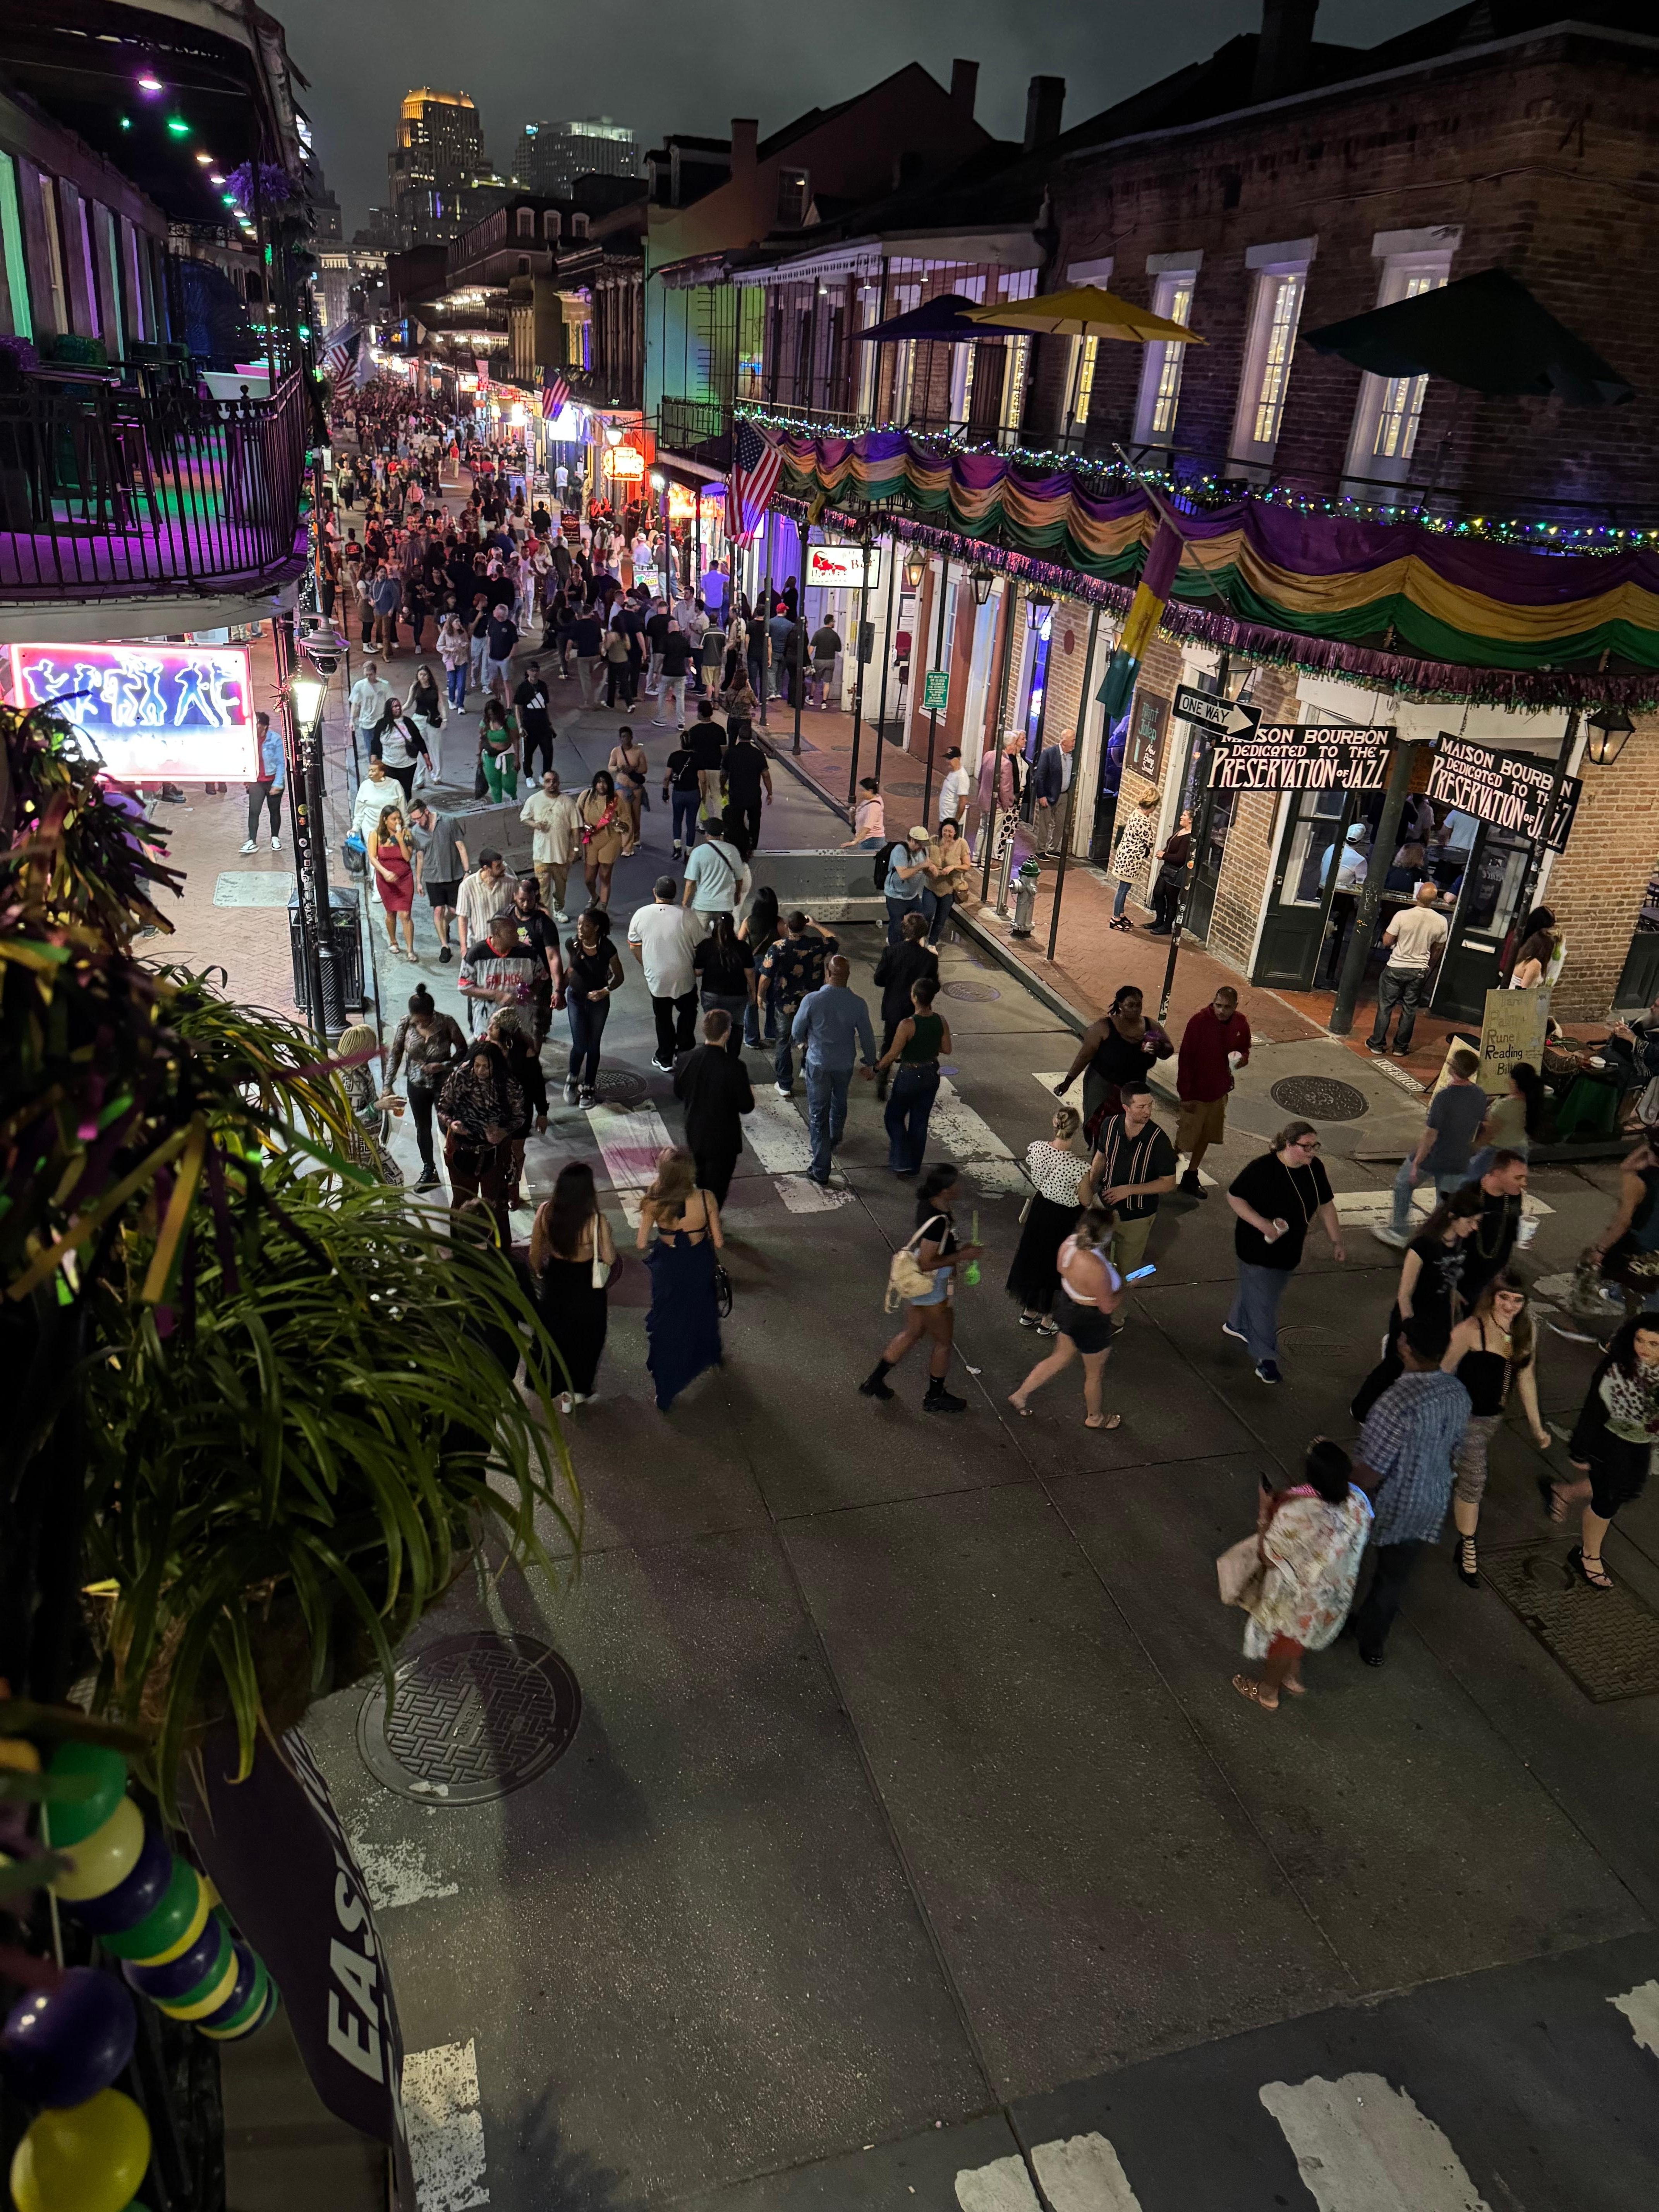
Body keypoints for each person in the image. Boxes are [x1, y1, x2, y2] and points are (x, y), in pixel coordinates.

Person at [1348, 1316, 1470, 1664]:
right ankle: (1372, 1643)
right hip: (1431, 1500)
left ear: (1404, 1346)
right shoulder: (1457, 1393)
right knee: (1394, 1579)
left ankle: (1332, 1623)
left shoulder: (1395, 1403)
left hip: (1391, 1504)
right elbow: (1457, 1448)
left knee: (1346, 1566)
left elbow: (1371, 1471)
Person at [1231, 1440, 1374, 1711]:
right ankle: (1291, 1676)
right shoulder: (1358, 1501)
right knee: (1300, 1638)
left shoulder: (1299, 1513)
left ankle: (1268, 1692)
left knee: (1284, 1641)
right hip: (1332, 1591)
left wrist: (1264, 1512)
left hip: (1296, 1597)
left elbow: (1268, 1556)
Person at [1443, 1271, 1549, 1586]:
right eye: (1505, 1298)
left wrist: (1537, 1426)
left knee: (1455, 1468)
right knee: (1475, 1478)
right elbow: (1443, 1373)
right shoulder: (1471, 1330)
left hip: (1490, 1420)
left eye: (1518, 1300)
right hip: (1463, 1417)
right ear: (1493, 1296)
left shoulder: (1527, 1330)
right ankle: (1468, 1544)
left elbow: (1525, 1378)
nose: (1510, 1306)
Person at [1224, 1120, 1345, 1384]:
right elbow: (1234, 1196)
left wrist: (1337, 1241)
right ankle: (1266, 1359)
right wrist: (1263, 1224)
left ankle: (1235, 1323)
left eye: (1315, 1146)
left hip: (1290, 1248)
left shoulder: (1314, 1169)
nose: (1312, 1152)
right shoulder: (1262, 1169)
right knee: (1264, 1305)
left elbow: (1326, 1204)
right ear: (1289, 1145)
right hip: (1257, 1247)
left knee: (1262, 1291)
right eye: (1306, 1147)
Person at [1350, 1188, 1484, 1421]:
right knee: (1394, 1365)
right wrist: (1408, 1329)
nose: (1474, 1227)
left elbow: (1449, 1275)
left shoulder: (1462, 1242)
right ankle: (1361, 1409)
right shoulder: (1423, 1247)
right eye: (1471, 1221)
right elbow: (1405, 1294)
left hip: (1439, 1316)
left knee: (1428, 1366)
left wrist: (1453, 1297)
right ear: (1453, 1217)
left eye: (1477, 1222)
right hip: (1414, 1317)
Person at [1546, 1316, 1659, 1589]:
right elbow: (1593, 1410)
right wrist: (1580, 1451)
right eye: (1640, 1340)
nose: (1644, 1349)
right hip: (1611, 1440)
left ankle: (1565, 1492)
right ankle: (1588, 1556)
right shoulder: (1616, 1368)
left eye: (1654, 1344)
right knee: (1608, 1501)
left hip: (1642, 1441)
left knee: (1626, 1489)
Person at [859, 1165, 984, 1413]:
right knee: (943, 1344)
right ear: (946, 1190)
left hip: (923, 1287)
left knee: (912, 1333)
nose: (960, 1187)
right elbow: (927, 1262)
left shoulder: (931, 1205)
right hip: (932, 1290)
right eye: (956, 1184)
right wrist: (961, 1256)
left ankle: (875, 1381)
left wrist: (957, 1252)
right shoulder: (937, 1221)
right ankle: (935, 1396)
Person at [1006, 1203, 1124, 1426]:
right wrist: (1128, 1287)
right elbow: (1107, 1306)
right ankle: (1095, 1418)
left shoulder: (1069, 1244)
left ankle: (1020, 1395)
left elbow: (1061, 1269)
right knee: (1094, 1374)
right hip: (1090, 1319)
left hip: (1066, 1307)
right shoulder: (1096, 1267)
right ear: (1104, 1235)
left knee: (1059, 1357)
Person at [1374, 1045, 1489, 1249]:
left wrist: (1417, 1163)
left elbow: (1430, 1135)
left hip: (1434, 1157)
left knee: (1403, 1184)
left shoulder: (1444, 1097)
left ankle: (1399, 1231)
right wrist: (1474, 1147)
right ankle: (1441, 1239)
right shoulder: (1479, 1095)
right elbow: (1485, 1125)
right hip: (1458, 1160)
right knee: (1444, 1204)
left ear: (1452, 1069)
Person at [636, 1146, 724, 1411]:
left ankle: (666, 1386)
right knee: (700, 1311)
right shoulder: (706, 1197)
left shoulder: (654, 1200)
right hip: (697, 1263)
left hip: (669, 1267)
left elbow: (641, 1243)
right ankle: (707, 1354)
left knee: (668, 1320)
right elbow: (719, 1241)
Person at [529, 1161, 615, 1411]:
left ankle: (560, 1389)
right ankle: (577, 1391)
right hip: (585, 1285)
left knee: (558, 1336)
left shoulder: (546, 1211)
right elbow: (609, 1258)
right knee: (587, 1338)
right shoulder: (594, 1221)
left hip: (557, 1279)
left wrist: (540, 1275)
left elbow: (535, 1252)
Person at [792, 953, 877, 1185]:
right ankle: (835, 1138)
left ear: (828, 974)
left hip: (818, 1063)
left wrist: (802, 1042)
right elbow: (868, 1036)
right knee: (840, 1101)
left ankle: (821, 1168)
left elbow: (797, 1030)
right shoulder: (858, 1003)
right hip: (844, 1063)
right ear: (848, 976)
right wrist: (870, 1062)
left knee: (819, 1113)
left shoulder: (812, 1000)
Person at [1079, 1081, 1178, 1280]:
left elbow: (1168, 1182)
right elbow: (1101, 1158)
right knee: (1090, 1259)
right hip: (1104, 1206)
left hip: (1137, 1216)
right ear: (1126, 1107)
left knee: (1127, 1271)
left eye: (1150, 1105)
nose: (1148, 1111)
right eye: (1141, 1107)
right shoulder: (1109, 1125)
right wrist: (1089, 1191)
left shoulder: (1159, 1141)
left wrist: (1129, 1190)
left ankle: (1116, 1309)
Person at [1056, 984, 1174, 1144]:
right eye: (1130, 1005)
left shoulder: (1150, 1026)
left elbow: (1168, 1050)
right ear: (1119, 1005)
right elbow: (1085, 1056)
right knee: (1103, 1131)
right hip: (1104, 1087)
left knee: (1129, 1132)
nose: (1136, 1010)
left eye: (1139, 1005)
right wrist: (1068, 1082)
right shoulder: (1104, 1027)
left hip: (1134, 1089)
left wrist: (1160, 1047)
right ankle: (1100, 1161)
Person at [1007, 1105, 1089, 1332]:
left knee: (1036, 1259)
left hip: (1041, 1210)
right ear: (1076, 1129)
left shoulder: (1037, 1149)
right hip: (1064, 1218)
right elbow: (1086, 1199)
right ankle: (1048, 1319)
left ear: (1055, 1124)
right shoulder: (1078, 1167)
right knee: (1058, 1265)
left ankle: (1029, 1311)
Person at [437, 1038, 522, 1243]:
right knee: (462, 1202)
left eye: (486, 1067)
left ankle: (500, 1250)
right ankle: (460, 1248)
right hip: (462, 1149)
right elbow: (442, 1108)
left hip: (493, 1151)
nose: (481, 1071)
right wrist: (452, 1124)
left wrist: (503, 1132)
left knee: (494, 1203)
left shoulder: (508, 1083)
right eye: (477, 1066)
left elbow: (519, 1116)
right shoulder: (460, 1077)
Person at [387, 984, 467, 1192]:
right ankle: (429, 1169)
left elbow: (462, 1050)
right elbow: (396, 1053)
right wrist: (388, 1084)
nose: (418, 1022)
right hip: (417, 1084)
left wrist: (444, 1065)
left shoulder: (447, 1023)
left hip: (444, 1084)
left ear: (431, 1014)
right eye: (416, 1018)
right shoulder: (406, 1024)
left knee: (447, 1125)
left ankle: (458, 1164)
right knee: (422, 1128)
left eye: (421, 1019)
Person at [1175, 986, 1252, 1194]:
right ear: (1213, 1002)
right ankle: (1165, 1167)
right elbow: (1186, 1060)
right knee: (1185, 1137)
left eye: (1227, 1007)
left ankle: (1191, 1175)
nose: (1221, 1011)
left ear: (1235, 1007)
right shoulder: (1198, 1022)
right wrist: (1186, 1095)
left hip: (1219, 1092)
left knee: (1206, 1136)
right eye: (1218, 1005)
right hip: (1196, 1093)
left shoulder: (1241, 1023)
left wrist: (1242, 1060)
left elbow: (1245, 1048)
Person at [674, 1009, 755, 1204]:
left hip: (695, 1132)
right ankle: (710, 1222)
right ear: (726, 1033)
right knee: (717, 1188)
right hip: (724, 1139)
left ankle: (698, 1219)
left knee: (699, 1181)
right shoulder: (735, 1067)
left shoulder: (686, 1059)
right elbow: (746, 1106)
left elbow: (679, 1092)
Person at [875, 975, 949, 1177]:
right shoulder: (940, 1020)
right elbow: (947, 1048)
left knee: (894, 1117)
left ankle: (901, 1159)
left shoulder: (908, 1024)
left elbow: (892, 1054)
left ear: (915, 998)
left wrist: (876, 1069)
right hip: (931, 1073)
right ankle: (914, 1166)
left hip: (910, 1075)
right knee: (920, 1121)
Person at [629, 875, 704, 1072]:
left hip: (658, 979)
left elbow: (633, 945)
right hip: (684, 977)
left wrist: (646, 964)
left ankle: (665, 1057)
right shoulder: (687, 915)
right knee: (687, 1013)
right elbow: (701, 945)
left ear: (655, 892)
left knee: (663, 1018)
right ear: (675, 895)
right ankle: (685, 1052)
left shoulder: (641, 914)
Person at [760, 910, 838, 1098]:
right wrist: (817, 925)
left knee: (784, 1041)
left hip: (786, 1002)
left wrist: (760, 996)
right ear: (805, 926)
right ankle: (806, 1067)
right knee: (810, 1036)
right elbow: (835, 941)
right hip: (811, 1001)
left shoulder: (778, 947)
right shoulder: (817, 945)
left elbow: (766, 977)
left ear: (787, 927)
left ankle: (785, 1084)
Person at [1367, 883, 1449, 1054]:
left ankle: (1377, 1043)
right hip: (1418, 970)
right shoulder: (1441, 921)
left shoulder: (1402, 915)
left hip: (1396, 966)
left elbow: (1387, 941)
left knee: (1386, 1007)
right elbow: (1439, 949)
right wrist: (1428, 965)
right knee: (1410, 1009)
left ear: (1417, 895)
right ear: (1435, 900)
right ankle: (1400, 1047)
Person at [871, 913, 939, 1099]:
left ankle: (882, 1080)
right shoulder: (929, 958)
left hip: (894, 1006)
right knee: (913, 1046)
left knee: (889, 1042)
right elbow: (934, 985)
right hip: (916, 1010)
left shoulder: (891, 952)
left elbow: (879, 980)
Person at [562, 905, 624, 1107]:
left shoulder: (607, 948)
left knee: (593, 1044)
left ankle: (589, 1086)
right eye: (579, 924)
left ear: (596, 928)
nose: (580, 929)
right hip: (576, 998)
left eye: (586, 925)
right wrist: (558, 992)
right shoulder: (572, 944)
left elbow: (619, 977)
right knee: (580, 1044)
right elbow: (572, 970)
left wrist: (604, 991)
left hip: (599, 1000)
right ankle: (572, 1079)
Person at [488, 1008, 547, 1209]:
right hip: (493, 1113)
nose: (489, 1028)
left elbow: (537, 1083)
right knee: (495, 1153)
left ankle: (513, 1189)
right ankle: (497, 1190)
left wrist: (542, 1113)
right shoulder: (484, 1048)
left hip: (519, 1112)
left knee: (515, 1153)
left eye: (494, 1026)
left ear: (504, 1031)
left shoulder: (525, 1049)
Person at [1455, 1150, 1529, 1306]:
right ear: (1497, 1173)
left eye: (1524, 1177)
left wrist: (1523, 1236)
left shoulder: (1514, 1196)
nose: (1524, 1183)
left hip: (1496, 1272)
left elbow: (1510, 1230)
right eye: (1518, 1178)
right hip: (1466, 1273)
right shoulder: (1469, 1194)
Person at [458, 912, 539, 1036]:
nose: (516, 935)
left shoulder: (528, 953)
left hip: (520, 1022)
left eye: (516, 931)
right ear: (497, 934)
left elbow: (542, 978)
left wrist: (529, 992)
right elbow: (464, 986)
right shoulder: (477, 954)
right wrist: (496, 995)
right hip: (487, 1024)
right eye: (510, 932)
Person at [519, 769, 584, 923]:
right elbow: (524, 818)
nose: (551, 785)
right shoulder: (534, 800)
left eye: (554, 781)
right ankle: (544, 913)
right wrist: (536, 825)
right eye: (548, 781)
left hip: (561, 855)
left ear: (559, 783)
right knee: (542, 888)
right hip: (541, 855)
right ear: (543, 783)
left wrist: (575, 849)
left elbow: (576, 828)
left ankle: (559, 909)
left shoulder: (568, 803)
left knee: (560, 887)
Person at [508, 874, 565, 1047]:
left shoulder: (544, 924)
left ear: (536, 898)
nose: (526, 905)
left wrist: (559, 989)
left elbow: (553, 957)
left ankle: (536, 1046)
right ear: (514, 898)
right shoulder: (506, 918)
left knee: (539, 1023)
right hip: (514, 978)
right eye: (522, 900)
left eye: (530, 900)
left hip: (540, 981)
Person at [692, 912, 755, 1059]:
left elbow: (698, 972)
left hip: (712, 995)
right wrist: (753, 991)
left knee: (715, 1027)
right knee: (737, 1026)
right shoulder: (742, 947)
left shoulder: (706, 946)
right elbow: (750, 973)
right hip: (738, 995)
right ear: (733, 927)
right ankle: (732, 1060)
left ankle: (715, 1060)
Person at [1470, 1062, 1544, 1178]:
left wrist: (1474, 1147)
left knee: (1469, 1180)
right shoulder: (1531, 1104)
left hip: (1498, 1153)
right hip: (1520, 1151)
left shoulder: (1505, 1107)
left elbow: (1490, 1132)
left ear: (1515, 1082)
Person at [368, 802, 418, 961]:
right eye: (394, 819)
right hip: (385, 879)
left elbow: (408, 857)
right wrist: (385, 872)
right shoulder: (375, 835)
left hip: (404, 879)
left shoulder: (407, 834)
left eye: (399, 819)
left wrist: (400, 840)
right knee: (391, 913)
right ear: (385, 820)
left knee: (406, 914)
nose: (398, 822)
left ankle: (410, 949)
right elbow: (372, 858)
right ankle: (393, 941)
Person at [682, 813, 751, 924]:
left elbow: (690, 882)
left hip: (703, 905)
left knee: (701, 937)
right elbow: (739, 877)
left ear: (707, 834)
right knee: (723, 937)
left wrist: (685, 903)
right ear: (722, 834)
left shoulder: (698, 852)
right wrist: (737, 894)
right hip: (725, 905)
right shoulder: (732, 850)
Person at [738, 885, 782, 1050]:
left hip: (754, 965)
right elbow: (785, 943)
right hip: (774, 967)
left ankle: (752, 1038)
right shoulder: (779, 923)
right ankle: (771, 1033)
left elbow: (740, 942)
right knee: (772, 1000)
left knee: (752, 1001)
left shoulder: (749, 921)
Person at [1107, 795, 1158, 930]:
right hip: (1131, 859)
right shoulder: (1144, 822)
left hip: (1124, 853)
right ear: (1152, 807)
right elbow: (1150, 842)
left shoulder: (1135, 813)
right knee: (1123, 889)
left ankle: (1121, 914)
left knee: (1124, 888)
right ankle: (1115, 918)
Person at [721, 721, 773, 852]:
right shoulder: (758, 754)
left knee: (737, 821)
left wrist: (722, 787)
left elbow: (724, 774)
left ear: (739, 736)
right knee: (755, 822)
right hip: (754, 795)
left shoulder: (731, 753)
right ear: (751, 738)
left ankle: (740, 845)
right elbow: (766, 775)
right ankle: (753, 845)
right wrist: (770, 792)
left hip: (736, 794)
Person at [579, 769, 627, 909]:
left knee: (605, 877)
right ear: (595, 784)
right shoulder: (586, 796)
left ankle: (603, 908)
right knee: (589, 879)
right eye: (599, 782)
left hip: (610, 840)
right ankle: (594, 896)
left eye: (605, 783)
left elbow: (626, 820)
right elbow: (577, 816)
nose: (602, 786)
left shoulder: (616, 800)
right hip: (592, 841)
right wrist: (583, 825)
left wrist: (622, 826)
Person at [922, 818, 974, 946]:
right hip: (931, 885)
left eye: (950, 832)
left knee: (941, 918)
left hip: (949, 889)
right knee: (927, 914)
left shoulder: (962, 844)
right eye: (945, 831)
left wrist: (954, 867)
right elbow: (923, 855)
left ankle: (932, 943)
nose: (947, 834)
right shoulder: (933, 840)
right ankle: (921, 938)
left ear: (955, 832)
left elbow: (967, 865)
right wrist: (931, 866)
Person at [455, 846, 510, 965]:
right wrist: (464, 948)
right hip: (478, 946)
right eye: (498, 866)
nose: (503, 868)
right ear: (486, 868)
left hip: (504, 947)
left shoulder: (510, 883)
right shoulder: (467, 887)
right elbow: (462, 918)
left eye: (503, 864)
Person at [372, 696, 432, 800]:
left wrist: (427, 759)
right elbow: (375, 743)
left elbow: (419, 741)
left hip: (408, 765)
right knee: (392, 792)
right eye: (395, 706)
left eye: (399, 706)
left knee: (406, 791)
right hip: (389, 765)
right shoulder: (382, 725)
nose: (399, 708)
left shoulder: (408, 723)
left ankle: (407, 813)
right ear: (389, 709)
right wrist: (374, 761)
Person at [1146, 809, 1193, 934]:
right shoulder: (1181, 830)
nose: (1181, 817)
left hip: (1175, 872)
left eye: (1185, 815)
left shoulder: (1189, 837)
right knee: (1158, 893)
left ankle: (1167, 926)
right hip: (1167, 869)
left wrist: (1164, 855)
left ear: (1191, 820)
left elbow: (1181, 858)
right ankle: (1159, 920)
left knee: (1172, 900)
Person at [1030, 727, 1074, 859]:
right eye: (1072, 741)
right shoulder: (1049, 754)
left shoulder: (1073, 756)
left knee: (1060, 824)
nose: (1074, 744)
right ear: (1064, 742)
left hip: (1064, 795)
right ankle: (1040, 850)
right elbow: (1040, 776)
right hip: (1048, 796)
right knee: (1045, 824)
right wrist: (1041, 795)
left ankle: (1053, 848)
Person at [607, 726, 650, 857]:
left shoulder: (638, 752)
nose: (625, 740)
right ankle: (626, 840)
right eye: (622, 737)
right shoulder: (616, 751)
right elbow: (610, 767)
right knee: (625, 816)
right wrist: (619, 769)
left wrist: (633, 769)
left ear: (631, 737)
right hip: (621, 788)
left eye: (627, 737)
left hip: (635, 789)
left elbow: (644, 769)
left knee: (636, 815)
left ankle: (636, 836)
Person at [882, 828, 930, 943]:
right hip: (896, 896)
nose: (921, 847)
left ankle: (913, 948)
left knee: (919, 923)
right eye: (918, 843)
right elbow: (903, 874)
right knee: (897, 926)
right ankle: (893, 947)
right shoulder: (900, 851)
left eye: (923, 843)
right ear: (912, 840)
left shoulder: (923, 851)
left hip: (912, 895)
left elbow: (927, 868)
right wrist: (921, 866)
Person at [662, 730, 704, 859]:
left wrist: (665, 793)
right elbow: (703, 779)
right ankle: (689, 853)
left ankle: (677, 848)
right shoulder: (698, 758)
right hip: (693, 794)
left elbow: (666, 778)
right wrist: (704, 795)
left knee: (677, 820)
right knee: (691, 823)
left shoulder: (674, 756)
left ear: (681, 743)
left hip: (678, 794)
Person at [514, 662, 555, 780]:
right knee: (528, 753)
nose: (535, 673)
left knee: (548, 752)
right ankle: (529, 776)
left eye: (537, 670)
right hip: (529, 725)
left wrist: (550, 723)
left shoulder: (543, 686)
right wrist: (520, 726)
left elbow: (545, 706)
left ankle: (546, 774)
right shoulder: (523, 688)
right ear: (527, 672)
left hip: (543, 725)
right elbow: (518, 707)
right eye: (532, 670)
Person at [351, 753, 402, 843]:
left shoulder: (395, 785)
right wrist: (355, 828)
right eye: (369, 771)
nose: (370, 774)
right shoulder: (365, 786)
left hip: (391, 829)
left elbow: (402, 807)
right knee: (374, 856)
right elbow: (359, 810)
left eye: (373, 771)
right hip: (371, 829)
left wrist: (404, 827)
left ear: (382, 773)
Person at [654, 619, 694, 729]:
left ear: (670, 628)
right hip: (681, 673)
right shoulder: (684, 640)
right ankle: (681, 722)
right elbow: (689, 657)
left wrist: (656, 671)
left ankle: (661, 719)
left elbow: (660, 657)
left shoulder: (666, 639)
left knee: (662, 695)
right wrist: (688, 669)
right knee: (680, 697)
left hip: (667, 672)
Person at [349, 659, 391, 751]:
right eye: (366, 675)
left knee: (383, 749)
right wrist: (351, 720)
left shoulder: (385, 686)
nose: (368, 677)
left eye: (371, 675)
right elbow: (355, 704)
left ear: (375, 673)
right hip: (366, 722)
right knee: (371, 750)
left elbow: (391, 702)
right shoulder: (359, 686)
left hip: (381, 721)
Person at [437, 608, 471, 708]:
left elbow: (468, 643)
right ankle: (451, 700)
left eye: (459, 621)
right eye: (456, 622)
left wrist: (464, 645)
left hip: (462, 660)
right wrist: (449, 649)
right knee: (452, 684)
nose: (458, 623)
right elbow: (439, 646)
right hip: (451, 661)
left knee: (461, 685)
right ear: (451, 623)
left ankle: (461, 705)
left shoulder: (462, 632)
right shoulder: (445, 633)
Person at [844, 775, 886, 852]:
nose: (860, 793)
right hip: (866, 841)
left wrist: (854, 842)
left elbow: (867, 827)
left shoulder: (874, 806)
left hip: (873, 843)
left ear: (870, 791)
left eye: (862, 790)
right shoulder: (868, 801)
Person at [936, 747, 970, 833]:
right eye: (947, 758)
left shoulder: (961, 777)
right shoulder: (952, 773)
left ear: (959, 759)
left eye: (951, 759)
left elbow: (963, 802)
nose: (948, 761)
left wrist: (955, 822)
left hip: (951, 822)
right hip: (945, 818)